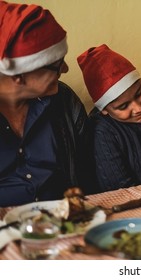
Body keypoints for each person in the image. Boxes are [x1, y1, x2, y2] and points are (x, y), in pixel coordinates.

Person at [0, 2, 91, 207]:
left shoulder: (65, 102)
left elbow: (86, 173)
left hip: (63, 223)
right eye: (57, 64)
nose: (66, 69)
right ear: (19, 76)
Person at [77, 44, 141, 192]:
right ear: (104, 110)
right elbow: (120, 191)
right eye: (123, 106)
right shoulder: (100, 132)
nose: (138, 108)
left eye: (139, 93)